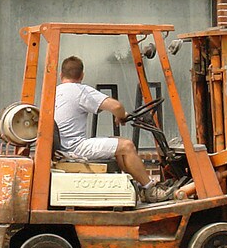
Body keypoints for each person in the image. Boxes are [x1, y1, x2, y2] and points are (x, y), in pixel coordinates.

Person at [52, 55, 156, 193]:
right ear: (82, 75)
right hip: (74, 148)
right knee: (127, 146)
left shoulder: (54, 92)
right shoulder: (80, 91)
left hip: (61, 147)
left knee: (117, 142)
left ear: (61, 74)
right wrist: (120, 117)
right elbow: (117, 107)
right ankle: (150, 188)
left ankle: (134, 186)